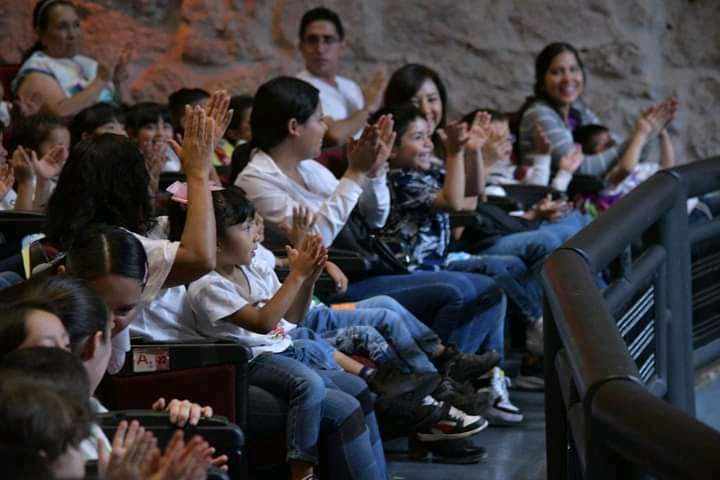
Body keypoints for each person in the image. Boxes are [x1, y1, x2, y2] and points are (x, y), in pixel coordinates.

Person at [235, 76, 507, 358]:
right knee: (458, 290)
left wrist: (373, 171)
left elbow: (375, 217)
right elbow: (317, 241)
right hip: (331, 283)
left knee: (485, 286)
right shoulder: (256, 181)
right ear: (294, 127)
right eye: (319, 119)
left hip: (367, 266)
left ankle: (466, 374)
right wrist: (354, 174)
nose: (325, 127)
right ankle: (448, 375)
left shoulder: (310, 169)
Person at [516, 42, 675, 179]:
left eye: (573, 69)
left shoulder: (579, 113)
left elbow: (626, 159)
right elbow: (583, 170)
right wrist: (639, 136)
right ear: (542, 82)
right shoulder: (539, 114)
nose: (568, 78)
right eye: (557, 72)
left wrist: (651, 130)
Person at [12, 0, 131, 118]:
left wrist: (118, 80)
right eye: (62, 27)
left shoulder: (87, 63)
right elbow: (60, 114)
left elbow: (129, 111)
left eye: (76, 25)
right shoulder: (37, 71)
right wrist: (100, 80)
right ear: (41, 34)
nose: (72, 34)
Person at [296, 7, 386, 144]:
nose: (320, 49)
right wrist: (367, 109)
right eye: (312, 40)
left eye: (328, 40)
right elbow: (334, 136)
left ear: (342, 46)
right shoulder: (299, 88)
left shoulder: (350, 86)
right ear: (301, 46)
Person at [5, 112, 69, 211]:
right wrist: (26, 182)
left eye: (68, 148)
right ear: (31, 150)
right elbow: (25, 224)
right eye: (58, 149)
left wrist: (44, 179)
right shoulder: (19, 183)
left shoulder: (56, 179)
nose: (65, 155)